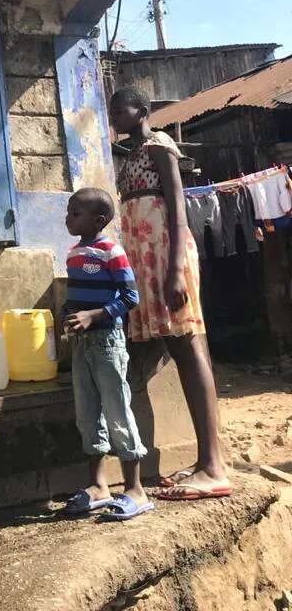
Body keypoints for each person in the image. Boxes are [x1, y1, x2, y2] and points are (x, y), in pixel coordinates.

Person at [109, 86, 232, 501]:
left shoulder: (160, 145)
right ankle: (205, 463)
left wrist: (176, 270)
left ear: (142, 110)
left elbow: (177, 209)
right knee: (181, 352)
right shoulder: (128, 156)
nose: (113, 115)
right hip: (147, 262)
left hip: (165, 257)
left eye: (119, 109)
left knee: (189, 348)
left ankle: (213, 466)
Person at [62, 187, 153, 520]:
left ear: (98, 220)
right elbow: (74, 296)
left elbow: (130, 297)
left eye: (75, 213)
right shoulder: (73, 253)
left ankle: (135, 490)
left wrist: (94, 316)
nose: (68, 218)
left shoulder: (111, 251)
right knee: (87, 414)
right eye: (69, 212)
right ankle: (98, 486)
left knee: (118, 412)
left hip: (107, 344)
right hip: (82, 345)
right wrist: (67, 313)